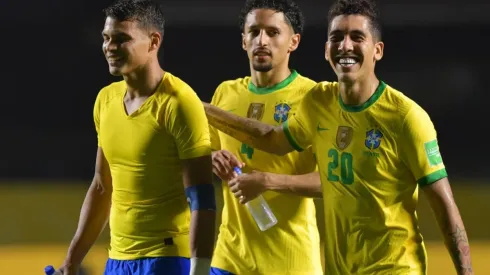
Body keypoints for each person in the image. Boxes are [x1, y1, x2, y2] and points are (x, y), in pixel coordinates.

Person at [203, 0, 474, 274]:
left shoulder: (406, 118)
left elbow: (444, 206)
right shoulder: (320, 103)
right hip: (332, 267)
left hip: (391, 267)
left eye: (357, 37)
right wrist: (200, 109)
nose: (345, 46)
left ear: (377, 50)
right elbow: (272, 139)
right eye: (336, 38)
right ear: (326, 50)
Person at [58, 1, 216, 274]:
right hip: (117, 261)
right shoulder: (105, 100)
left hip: (166, 259)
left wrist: (199, 269)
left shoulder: (179, 103)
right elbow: (101, 186)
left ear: (154, 41)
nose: (110, 47)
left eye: (122, 39)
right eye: (106, 38)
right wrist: (71, 263)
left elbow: (201, 198)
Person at [208, 1, 323, 275]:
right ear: (243, 41)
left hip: (291, 262)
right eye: (254, 32)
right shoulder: (225, 94)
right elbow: (202, 155)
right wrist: (211, 158)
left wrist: (268, 181)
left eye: (273, 33)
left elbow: (332, 181)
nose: (262, 40)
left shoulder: (314, 97)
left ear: (293, 42)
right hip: (229, 259)